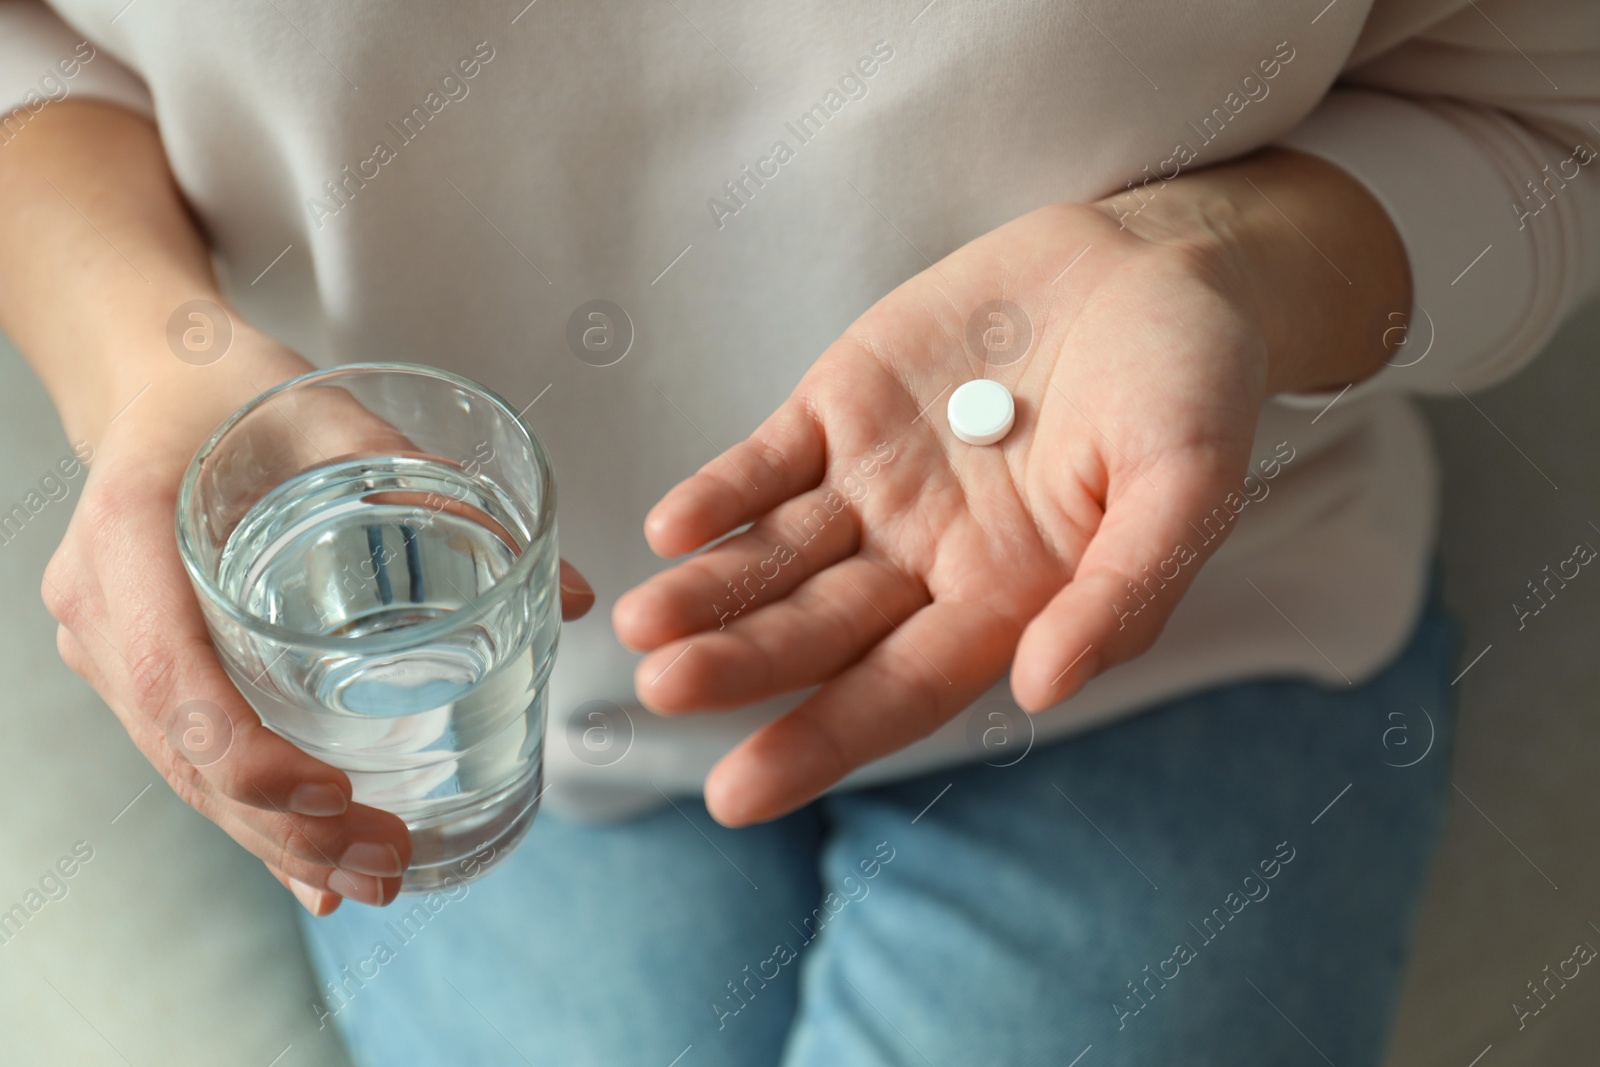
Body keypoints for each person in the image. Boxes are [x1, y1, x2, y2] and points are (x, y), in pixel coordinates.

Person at [2, 0, 1596, 1063]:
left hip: (1171, 622)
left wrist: (1213, 259)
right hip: (462, 671)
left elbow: (1548, 114)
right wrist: (149, 366)